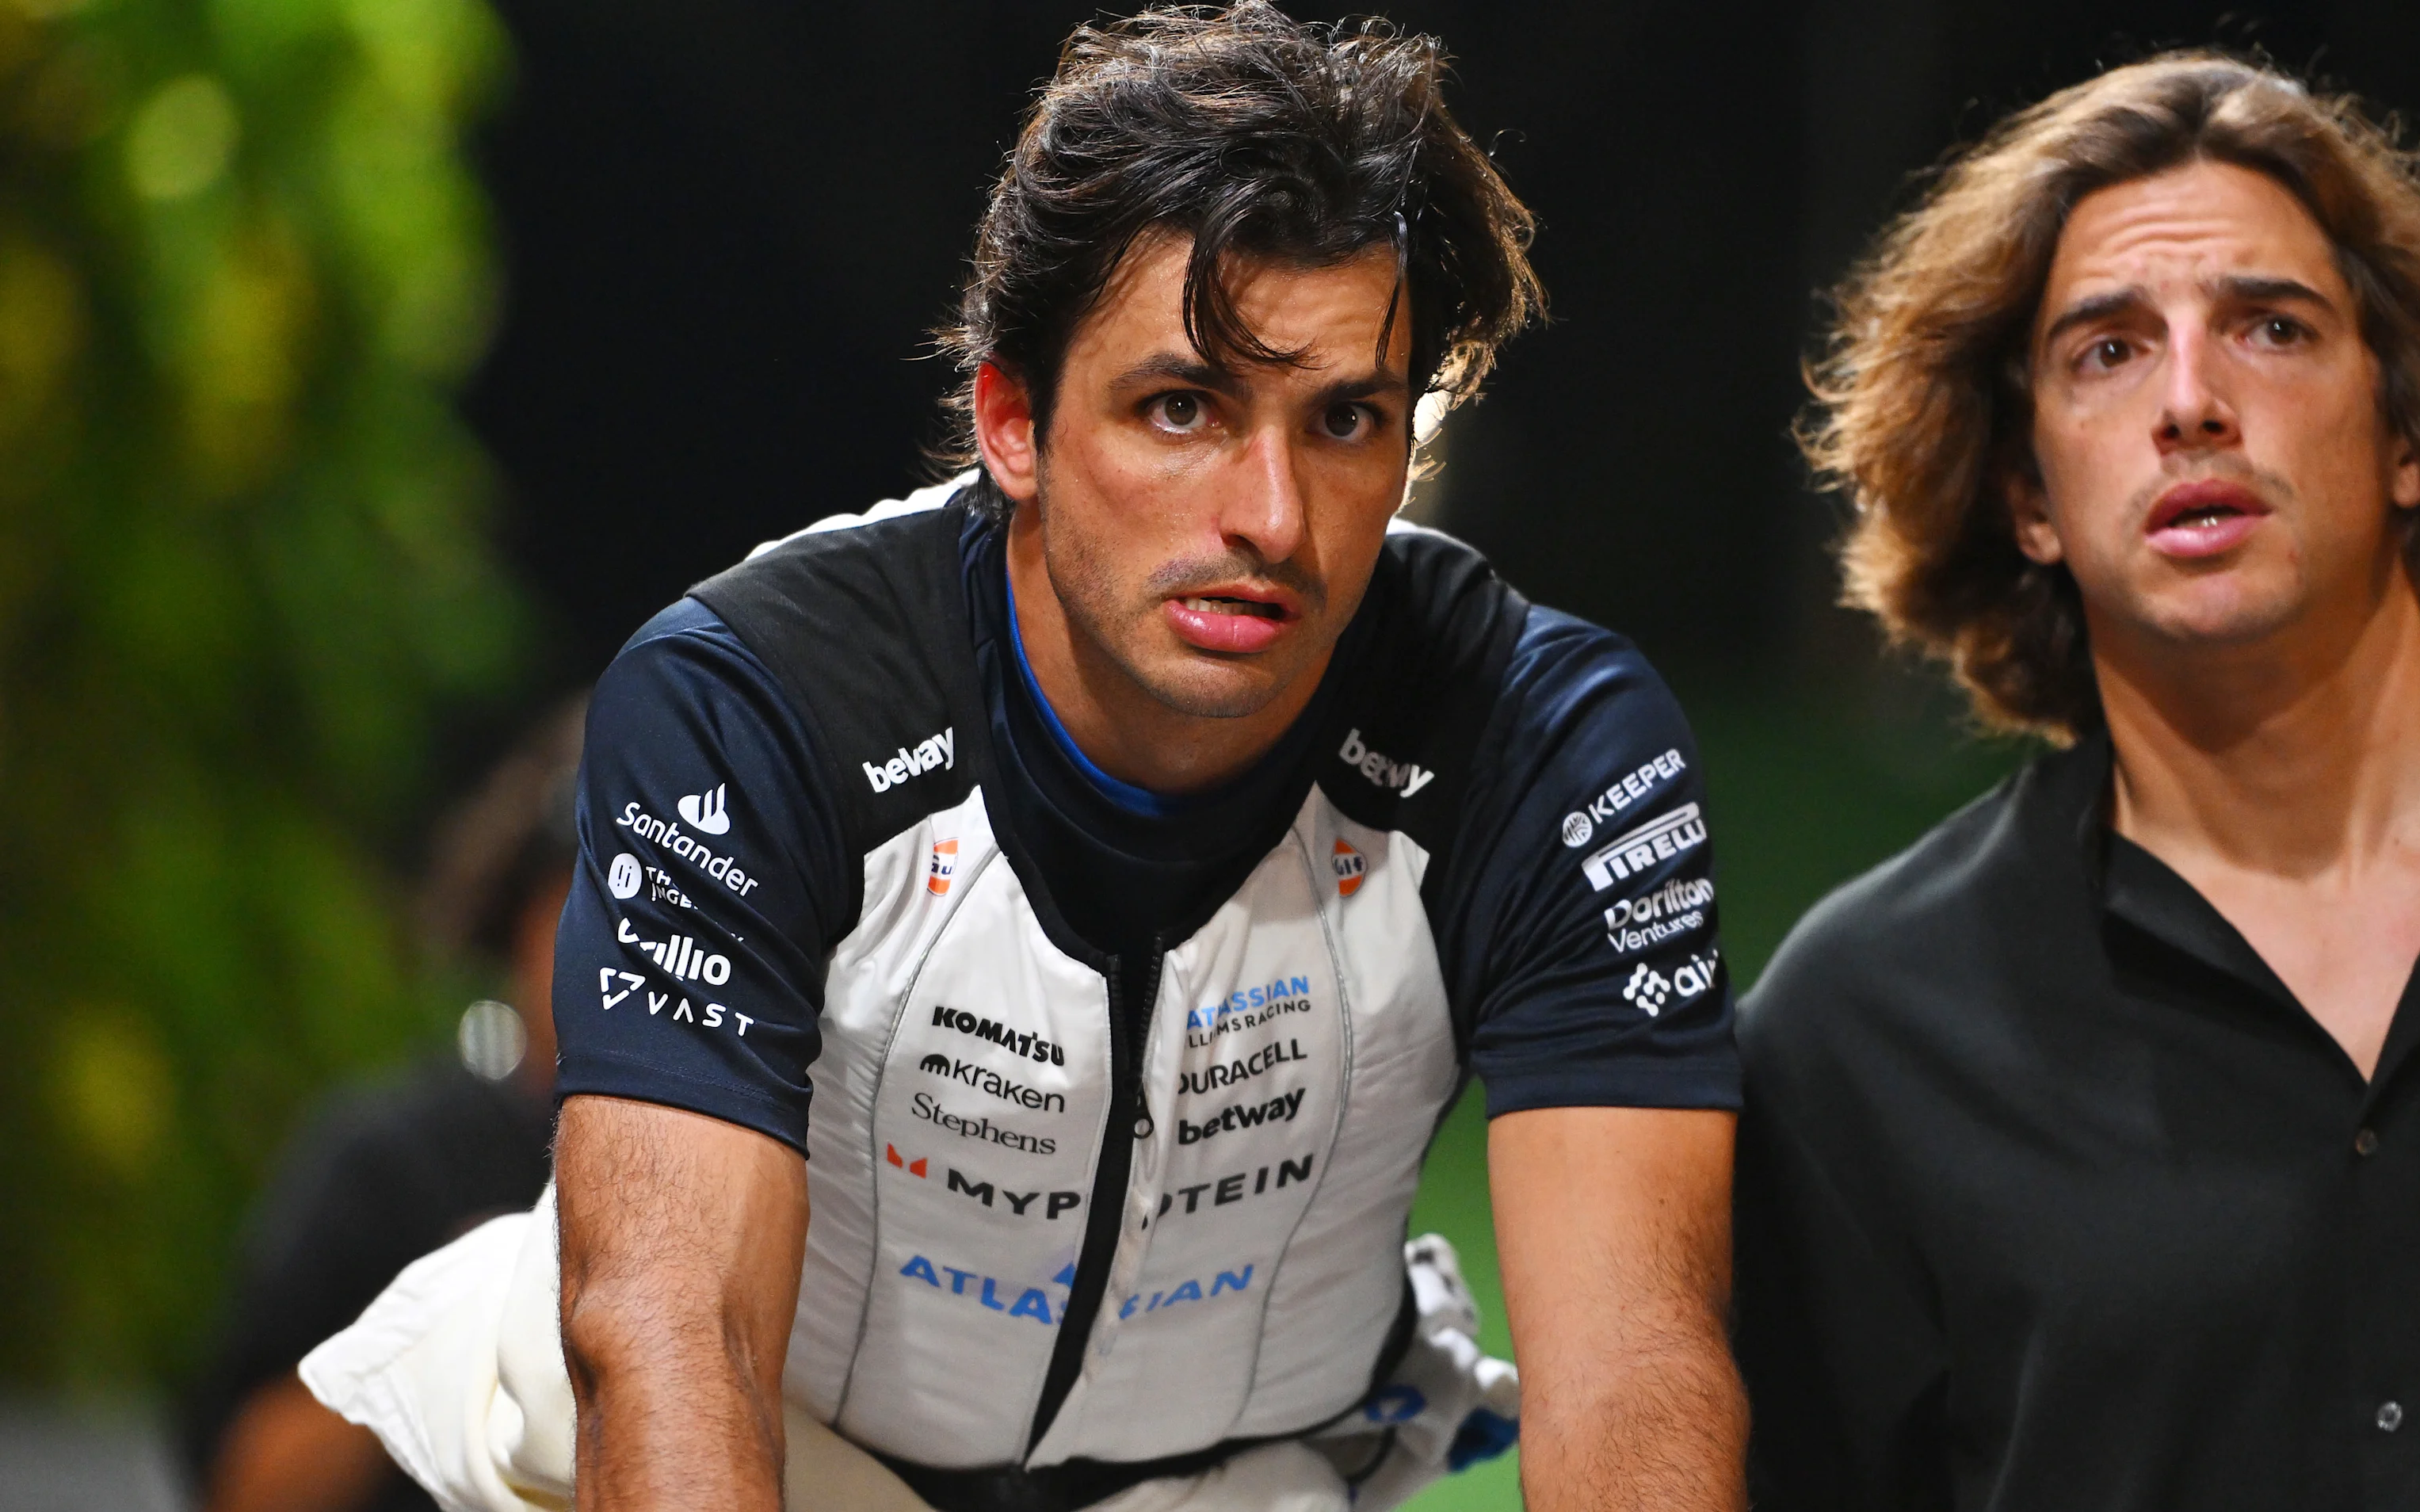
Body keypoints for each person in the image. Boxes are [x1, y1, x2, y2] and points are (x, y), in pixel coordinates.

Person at [307, 7, 1746, 1510]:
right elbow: (671, 1325)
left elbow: (1636, 1358)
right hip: (778, 1458)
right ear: (1011, 420)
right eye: (1181, 405)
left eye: (1342, 420)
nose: (1270, 511)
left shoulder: (1550, 739)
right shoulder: (752, 700)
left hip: (1241, 1475)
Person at [1731, 49, 2420, 1507]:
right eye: (2106, 349)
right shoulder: (1856, 1036)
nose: (2189, 399)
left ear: (2412, 433)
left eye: (2271, 328)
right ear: (2027, 496)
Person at [185, 701, 582, 1512]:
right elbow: (244, 1486)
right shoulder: (395, 1155)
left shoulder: (767, 1161)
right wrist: (434, 1328)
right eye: (589, 906)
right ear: (521, 918)